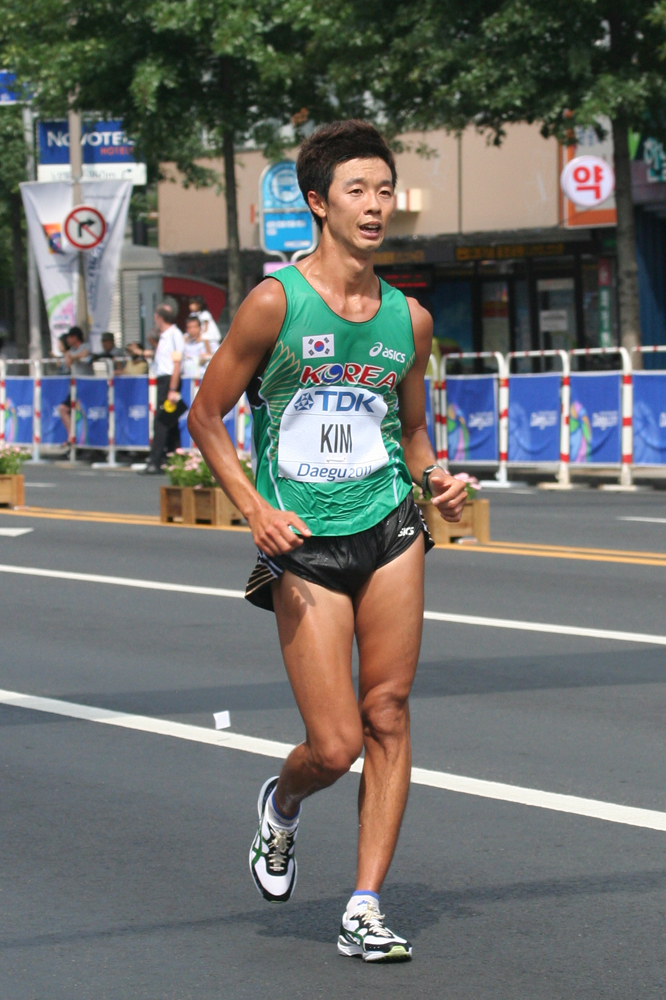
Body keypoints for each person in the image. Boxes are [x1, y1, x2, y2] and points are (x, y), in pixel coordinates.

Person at [188, 120, 466, 963]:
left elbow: (411, 433)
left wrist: (439, 480)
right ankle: (284, 802)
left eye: (385, 190)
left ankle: (365, 904)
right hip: (302, 540)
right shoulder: (275, 302)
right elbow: (205, 417)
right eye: (358, 190)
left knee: (387, 714)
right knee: (336, 745)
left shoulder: (407, 320)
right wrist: (251, 508)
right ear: (318, 203)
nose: (376, 205)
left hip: (388, 525)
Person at [141, 304, 185, 474]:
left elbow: (177, 364)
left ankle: (155, 461)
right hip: (163, 380)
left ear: (160, 317)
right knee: (170, 422)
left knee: (160, 421)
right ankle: (176, 459)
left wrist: (173, 388)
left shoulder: (175, 335)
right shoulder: (165, 337)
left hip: (169, 382)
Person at [58, 327, 92, 439]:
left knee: (86, 414)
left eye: (69, 337)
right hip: (75, 386)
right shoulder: (71, 350)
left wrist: (73, 357)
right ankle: (71, 437)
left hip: (87, 385)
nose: (67, 340)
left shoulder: (86, 346)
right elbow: (67, 364)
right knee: (63, 409)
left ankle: (87, 440)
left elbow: (86, 354)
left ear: (75, 337)